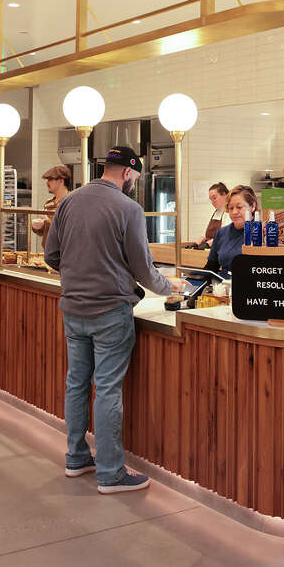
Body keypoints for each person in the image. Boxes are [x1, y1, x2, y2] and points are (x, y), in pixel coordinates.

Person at [44, 146, 185, 494]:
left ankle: (76, 457)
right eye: (135, 178)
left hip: (73, 309)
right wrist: (170, 288)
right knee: (107, 388)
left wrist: (80, 275)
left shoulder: (70, 202)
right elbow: (142, 268)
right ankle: (110, 472)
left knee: (77, 383)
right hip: (110, 312)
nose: (134, 183)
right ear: (127, 173)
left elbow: (51, 255)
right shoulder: (129, 208)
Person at [204, 184, 256, 277]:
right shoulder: (221, 233)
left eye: (239, 207)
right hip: (225, 287)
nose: (234, 212)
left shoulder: (261, 232)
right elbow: (212, 267)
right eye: (231, 208)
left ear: (252, 207)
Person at [30, 164, 73, 246]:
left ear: (61, 181)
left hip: (63, 253)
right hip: (48, 252)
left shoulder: (71, 202)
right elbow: (45, 232)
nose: (47, 183)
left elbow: (67, 231)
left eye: (50, 180)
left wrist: (47, 221)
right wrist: (38, 227)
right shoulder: (48, 203)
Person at [190, 182, 230, 250]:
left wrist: (207, 245)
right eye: (211, 199)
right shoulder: (216, 213)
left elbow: (223, 236)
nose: (212, 202)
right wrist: (196, 244)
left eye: (214, 198)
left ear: (224, 195)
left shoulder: (229, 213)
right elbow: (205, 234)